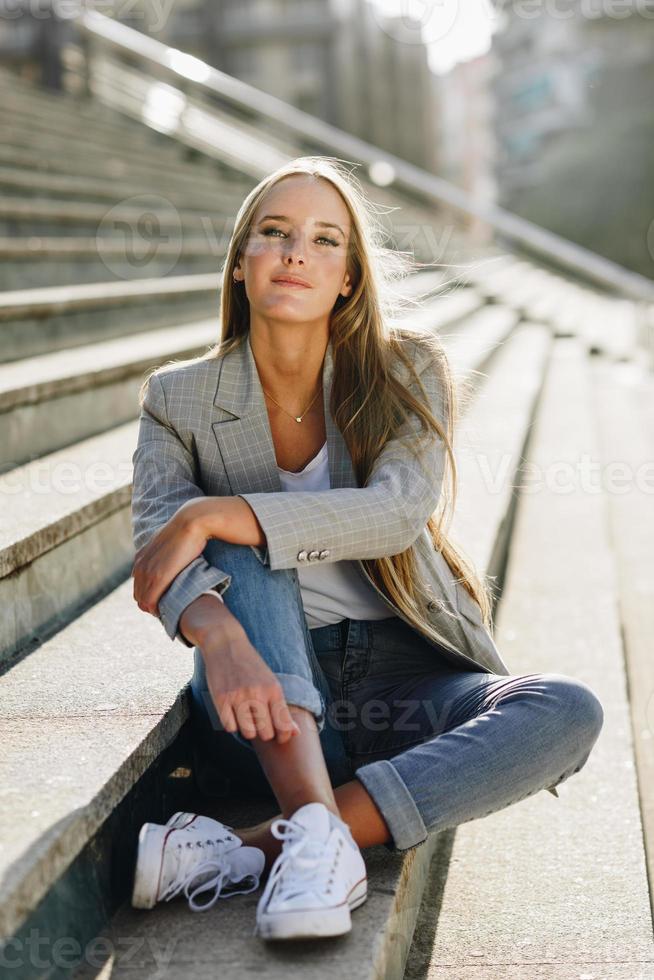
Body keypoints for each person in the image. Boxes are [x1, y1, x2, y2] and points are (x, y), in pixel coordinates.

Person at [129, 157, 604, 942]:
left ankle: (269, 845)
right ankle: (314, 829)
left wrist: (218, 510)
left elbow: (394, 514)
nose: (294, 253)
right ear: (242, 261)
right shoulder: (177, 397)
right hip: (267, 691)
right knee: (244, 553)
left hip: (407, 680)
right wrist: (215, 634)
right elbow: (158, 549)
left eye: (324, 240)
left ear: (348, 277)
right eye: (274, 234)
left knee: (565, 710)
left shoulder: (404, 368)